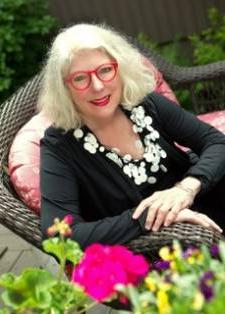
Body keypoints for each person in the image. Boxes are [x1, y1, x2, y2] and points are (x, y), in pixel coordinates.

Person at [38, 23, 225, 250]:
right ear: (64, 88)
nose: (97, 86)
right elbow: (58, 237)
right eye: (80, 78)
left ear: (120, 69)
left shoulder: (144, 104)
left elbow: (216, 141)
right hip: (168, 246)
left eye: (105, 70)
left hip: (208, 201)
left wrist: (185, 188)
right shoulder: (59, 146)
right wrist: (149, 216)